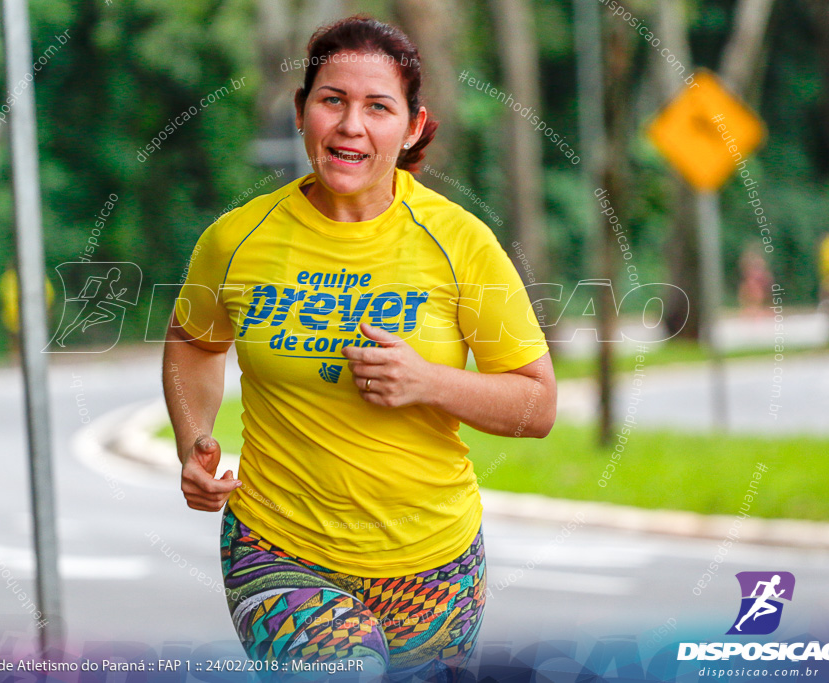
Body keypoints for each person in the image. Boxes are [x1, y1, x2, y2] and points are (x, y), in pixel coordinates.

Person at [162, 15, 556, 682]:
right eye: (332, 100)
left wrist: (428, 380)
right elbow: (194, 343)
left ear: (412, 128)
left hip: (435, 563)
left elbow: (537, 404)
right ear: (301, 112)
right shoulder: (238, 239)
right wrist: (193, 439)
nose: (351, 126)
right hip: (279, 546)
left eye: (378, 107)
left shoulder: (459, 241)